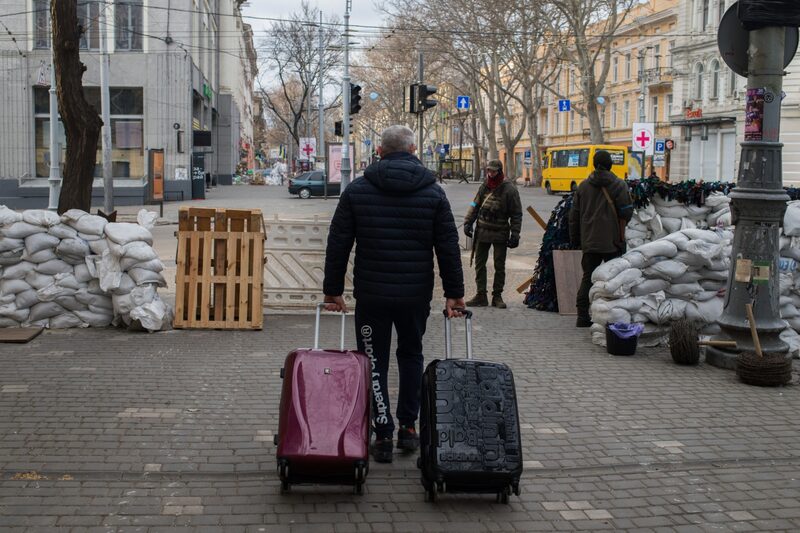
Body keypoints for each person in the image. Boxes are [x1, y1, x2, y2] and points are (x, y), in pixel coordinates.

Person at [322, 125, 465, 464]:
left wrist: (333, 290)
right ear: (414, 150)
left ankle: (382, 432)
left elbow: (338, 242)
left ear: (380, 152)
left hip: (372, 294)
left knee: (372, 360)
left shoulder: (357, 190)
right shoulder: (433, 192)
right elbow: (448, 247)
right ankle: (409, 428)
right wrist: (454, 294)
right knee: (411, 354)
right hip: (415, 294)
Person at [569, 150, 634, 328]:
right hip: (613, 241)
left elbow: (573, 216)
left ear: (594, 164)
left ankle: (582, 316)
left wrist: (575, 240)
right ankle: (610, 316)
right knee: (614, 281)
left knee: (587, 277)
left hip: (589, 241)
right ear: (610, 164)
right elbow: (627, 211)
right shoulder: (619, 185)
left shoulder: (582, 187)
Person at [463, 159, 522, 309]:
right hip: (482, 231)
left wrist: (515, 235)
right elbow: (475, 204)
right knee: (479, 264)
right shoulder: (485, 186)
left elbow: (516, 214)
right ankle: (481, 295)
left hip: (500, 232)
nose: (490, 173)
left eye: (493, 171)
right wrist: (468, 221)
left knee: (499, 266)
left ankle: (497, 296)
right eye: (489, 170)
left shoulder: (510, 190)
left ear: (500, 171)